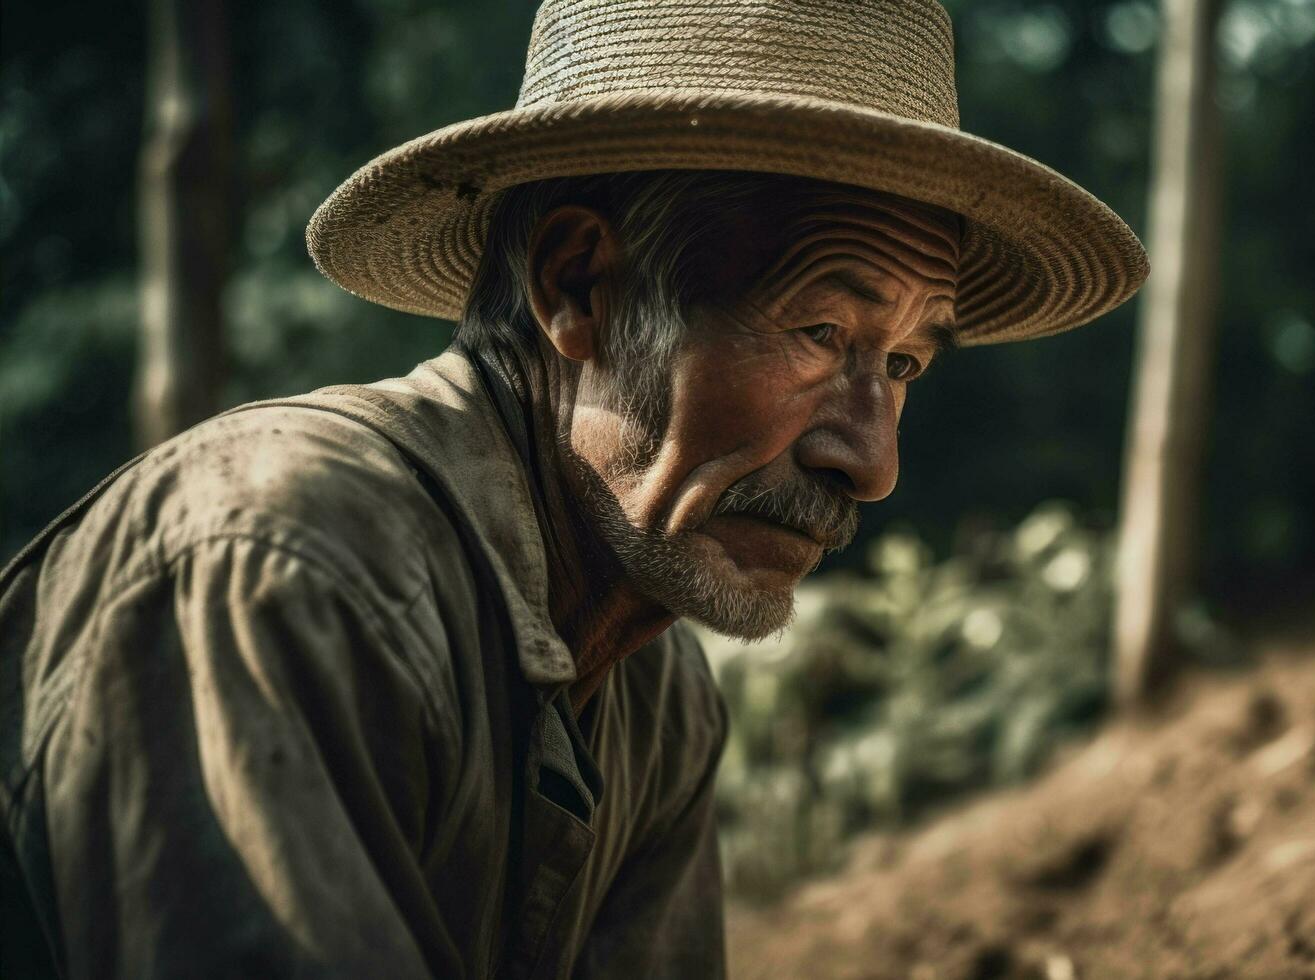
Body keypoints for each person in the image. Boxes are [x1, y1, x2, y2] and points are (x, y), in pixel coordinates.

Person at [0, 1, 1146, 976]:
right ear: (577, 284)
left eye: (901, 365)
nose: (873, 459)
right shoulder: (287, 567)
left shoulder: (654, 693)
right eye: (816, 329)